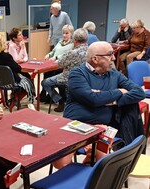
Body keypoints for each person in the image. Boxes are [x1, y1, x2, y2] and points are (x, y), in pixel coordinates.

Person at [53, 41, 145, 169]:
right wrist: (119, 91)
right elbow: (93, 100)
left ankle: (88, 163)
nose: (113, 58)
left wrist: (112, 100)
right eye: (109, 54)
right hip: (75, 124)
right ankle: (84, 166)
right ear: (95, 59)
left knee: (103, 165)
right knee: (60, 163)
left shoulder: (114, 74)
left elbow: (139, 93)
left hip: (103, 128)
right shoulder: (77, 74)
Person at [42, 28, 88, 112]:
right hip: (84, 77)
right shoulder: (89, 50)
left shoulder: (72, 52)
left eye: (66, 33)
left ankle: (60, 101)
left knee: (45, 82)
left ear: (74, 39)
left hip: (68, 77)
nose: (64, 35)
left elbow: (60, 64)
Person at [0, 34, 36, 110]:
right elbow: (17, 68)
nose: (6, 43)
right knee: (29, 80)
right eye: (4, 42)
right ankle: (16, 98)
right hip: (10, 82)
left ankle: (14, 96)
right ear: (0, 45)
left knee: (26, 76)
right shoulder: (6, 56)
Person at [41, 24, 74, 103]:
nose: (64, 35)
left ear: (71, 34)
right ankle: (48, 96)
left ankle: (60, 99)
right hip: (52, 65)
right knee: (46, 74)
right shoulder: (60, 42)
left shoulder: (72, 44)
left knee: (54, 77)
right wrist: (48, 54)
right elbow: (53, 51)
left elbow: (66, 55)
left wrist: (56, 57)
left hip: (62, 67)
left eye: (67, 33)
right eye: (63, 33)